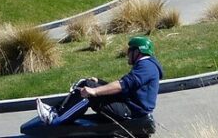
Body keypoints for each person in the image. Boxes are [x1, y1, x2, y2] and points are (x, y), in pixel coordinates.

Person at [35, 35, 163, 126]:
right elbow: (126, 87)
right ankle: (56, 111)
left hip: (132, 111)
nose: (127, 53)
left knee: (89, 95)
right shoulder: (146, 65)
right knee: (86, 83)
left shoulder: (146, 66)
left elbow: (122, 85)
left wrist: (95, 91)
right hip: (128, 104)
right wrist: (99, 82)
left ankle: (55, 120)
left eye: (129, 50)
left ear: (138, 52)